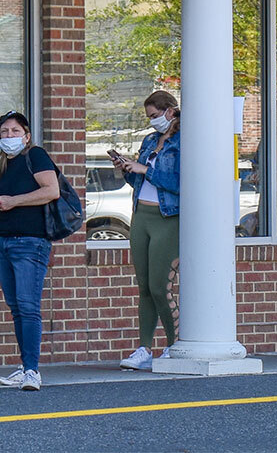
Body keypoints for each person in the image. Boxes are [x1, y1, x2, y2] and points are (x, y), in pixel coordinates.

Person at [0, 111, 59, 391]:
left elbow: (51, 191)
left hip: (30, 241)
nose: (9, 137)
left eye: (15, 131)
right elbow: (11, 200)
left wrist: (14, 201)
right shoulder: (5, 163)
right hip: (5, 240)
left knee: (28, 307)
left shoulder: (35, 155)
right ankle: (25, 365)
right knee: (16, 308)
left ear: (26, 136)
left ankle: (33, 371)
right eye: (4, 132)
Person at [111, 90, 180, 371]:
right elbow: (140, 180)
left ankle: (176, 345)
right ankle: (144, 348)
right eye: (149, 117)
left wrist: (144, 170)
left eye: (155, 116)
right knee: (143, 287)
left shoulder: (183, 142)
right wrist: (126, 168)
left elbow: (180, 182)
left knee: (160, 286)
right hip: (142, 214)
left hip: (168, 217)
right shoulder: (150, 140)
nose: (153, 122)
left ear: (170, 111)